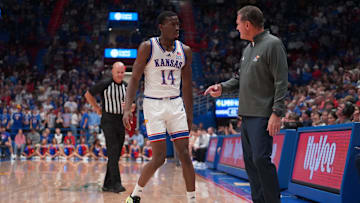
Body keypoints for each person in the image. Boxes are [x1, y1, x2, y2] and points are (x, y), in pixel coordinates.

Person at [204, 5, 288, 203]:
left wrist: (277, 112)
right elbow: (239, 79)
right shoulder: (247, 49)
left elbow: (281, 81)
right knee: (251, 163)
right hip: (246, 115)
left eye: (238, 23)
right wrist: (222, 87)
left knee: (260, 160)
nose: (237, 27)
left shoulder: (273, 44)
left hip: (263, 114)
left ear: (248, 24)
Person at [123, 11, 195, 203]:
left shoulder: (185, 50)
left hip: (175, 103)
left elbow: (187, 86)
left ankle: (192, 199)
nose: (177, 27)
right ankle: (135, 194)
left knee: (185, 155)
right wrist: (127, 107)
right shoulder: (148, 47)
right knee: (159, 158)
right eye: (173, 24)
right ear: (161, 27)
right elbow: (135, 78)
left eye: (178, 24)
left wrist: (189, 115)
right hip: (153, 104)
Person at [84, 61, 127, 193]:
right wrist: (97, 108)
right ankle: (116, 184)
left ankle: (107, 184)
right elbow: (88, 94)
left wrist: (130, 107)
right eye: (117, 72)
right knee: (113, 150)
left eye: (122, 72)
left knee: (116, 154)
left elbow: (133, 104)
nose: (120, 74)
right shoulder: (105, 84)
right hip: (108, 120)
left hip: (121, 121)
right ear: (113, 72)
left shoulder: (127, 86)